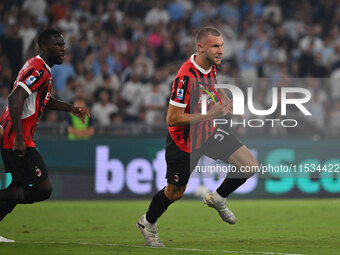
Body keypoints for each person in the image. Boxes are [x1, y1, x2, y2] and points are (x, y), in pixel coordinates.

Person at [137, 27, 259, 247]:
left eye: (221, 45)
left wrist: (225, 101)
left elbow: (212, 85)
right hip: (184, 142)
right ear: (201, 47)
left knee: (249, 166)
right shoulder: (184, 78)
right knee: (175, 193)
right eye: (215, 46)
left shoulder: (209, 66)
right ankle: (147, 222)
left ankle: (218, 198)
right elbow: (172, 118)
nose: (221, 50)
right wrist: (211, 114)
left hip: (209, 133)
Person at [0, 29, 90, 237]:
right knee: (43, 190)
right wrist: (20, 139)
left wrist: (71, 109)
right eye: (58, 44)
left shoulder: (40, 68)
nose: (63, 49)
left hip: (13, 134)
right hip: (17, 137)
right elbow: (15, 98)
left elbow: (42, 100)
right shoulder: (39, 69)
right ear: (44, 46)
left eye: (63, 44)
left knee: (18, 185)